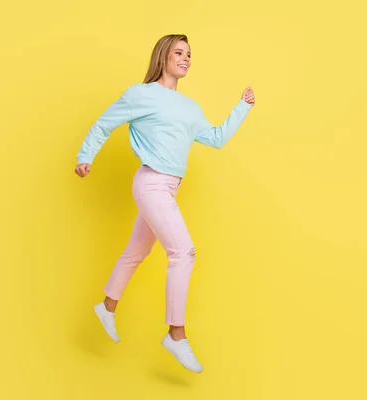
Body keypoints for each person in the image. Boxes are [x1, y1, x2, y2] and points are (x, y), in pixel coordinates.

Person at [74, 34, 255, 373]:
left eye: (189, 54)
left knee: (137, 251)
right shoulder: (141, 95)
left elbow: (215, 138)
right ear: (163, 56)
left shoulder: (189, 107)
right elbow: (103, 124)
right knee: (183, 253)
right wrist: (86, 156)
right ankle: (176, 333)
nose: (186, 58)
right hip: (151, 183)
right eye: (179, 52)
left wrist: (242, 108)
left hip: (169, 188)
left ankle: (107, 306)